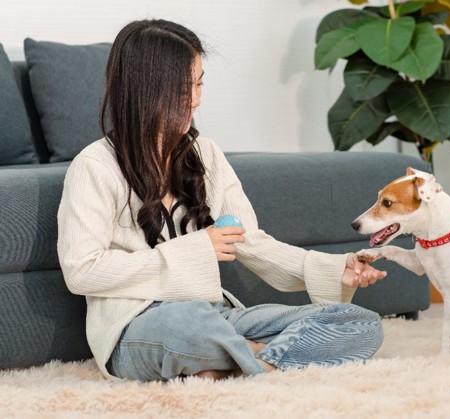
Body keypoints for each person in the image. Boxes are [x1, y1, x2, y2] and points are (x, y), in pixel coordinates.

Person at [57, 19, 387, 382]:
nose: (195, 99)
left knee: (361, 324)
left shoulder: (206, 154)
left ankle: (237, 364)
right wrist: (198, 249)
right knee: (184, 326)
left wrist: (332, 268)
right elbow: (81, 271)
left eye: (198, 83)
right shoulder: (94, 166)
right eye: (182, 88)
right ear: (145, 89)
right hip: (138, 326)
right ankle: (254, 354)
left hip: (214, 315)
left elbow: (251, 242)